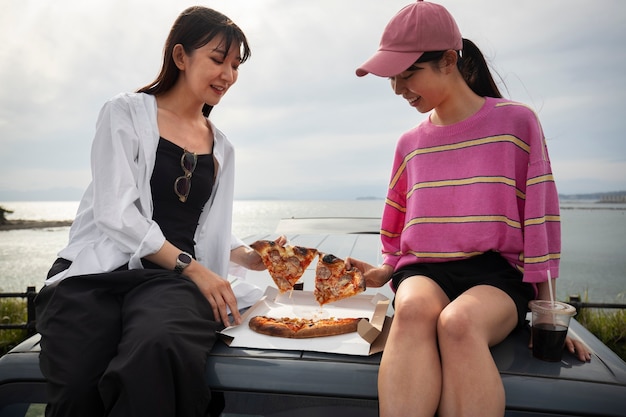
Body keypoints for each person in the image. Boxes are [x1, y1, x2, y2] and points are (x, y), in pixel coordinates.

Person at [348, 1, 592, 416]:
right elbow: (397, 229)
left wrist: (548, 317)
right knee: (409, 310)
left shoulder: (517, 123)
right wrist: (385, 270)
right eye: (393, 78)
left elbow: (540, 220)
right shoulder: (409, 144)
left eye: (409, 74)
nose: (398, 88)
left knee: (459, 323)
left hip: (497, 275)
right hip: (424, 271)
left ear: (448, 60)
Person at [34, 6, 280, 417]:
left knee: (157, 347)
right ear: (180, 57)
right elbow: (115, 211)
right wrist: (195, 269)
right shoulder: (125, 112)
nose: (228, 75)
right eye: (218, 60)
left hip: (170, 283)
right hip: (100, 272)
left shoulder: (222, 146)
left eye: (236, 65)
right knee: (78, 380)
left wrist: (248, 256)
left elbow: (201, 224)